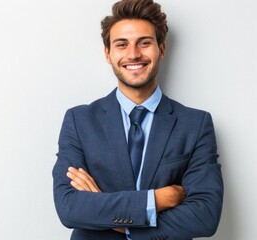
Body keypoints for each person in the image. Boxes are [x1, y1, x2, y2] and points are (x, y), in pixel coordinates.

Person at [52, 0, 224, 239]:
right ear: (107, 53)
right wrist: (156, 200)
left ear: (161, 50)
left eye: (144, 43)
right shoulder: (79, 121)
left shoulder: (195, 124)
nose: (133, 54)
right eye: (121, 44)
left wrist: (116, 219)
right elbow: (69, 208)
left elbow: (204, 216)